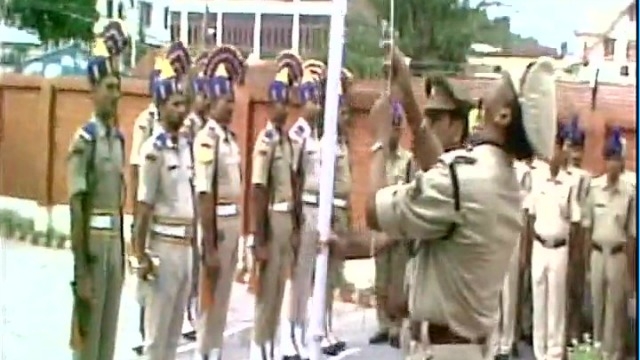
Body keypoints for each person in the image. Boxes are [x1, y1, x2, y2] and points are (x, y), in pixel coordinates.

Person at [365, 46, 558, 360]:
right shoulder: (496, 176)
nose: (485, 93)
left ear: (504, 114)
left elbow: (373, 210)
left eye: (499, 83)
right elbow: (441, 169)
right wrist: (409, 99)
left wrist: (379, 141)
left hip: (442, 351)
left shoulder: (465, 180)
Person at [67, 20, 128, 360]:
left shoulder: (117, 140)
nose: (115, 94)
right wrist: (81, 271)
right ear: (93, 90)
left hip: (113, 250)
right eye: (108, 86)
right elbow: (78, 206)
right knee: (87, 343)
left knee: (107, 340)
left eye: (117, 86)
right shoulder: (84, 141)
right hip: (92, 248)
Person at [129, 41, 193, 347]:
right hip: (163, 247)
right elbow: (144, 204)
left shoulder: (185, 145)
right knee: (156, 336)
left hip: (185, 247)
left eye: (184, 103)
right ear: (162, 106)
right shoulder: (153, 150)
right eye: (176, 104)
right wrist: (139, 253)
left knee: (173, 334)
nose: (182, 110)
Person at [192, 44, 246, 360]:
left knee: (224, 297)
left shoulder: (229, 138)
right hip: (217, 228)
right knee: (209, 298)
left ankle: (215, 352)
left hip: (232, 224)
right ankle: (202, 352)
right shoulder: (207, 139)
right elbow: (204, 193)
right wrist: (209, 245)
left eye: (232, 101)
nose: (231, 107)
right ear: (212, 101)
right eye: (226, 101)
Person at [249, 50, 302, 360]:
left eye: (287, 102)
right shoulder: (266, 141)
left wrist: (294, 226)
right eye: (279, 102)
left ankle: (270, 345)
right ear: (270, 106)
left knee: (279, 289)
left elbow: (291, 186)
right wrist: (259, 239)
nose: (284, 108)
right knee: (266, 292)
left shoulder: (286, 141)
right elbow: (259, 189)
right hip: (270, 219)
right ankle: (258, 347)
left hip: (285, 220)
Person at [279, 58, 325, 360]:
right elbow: (292, 179)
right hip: (303, 210)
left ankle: (299, 331)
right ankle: (288, 337)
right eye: (314, 98)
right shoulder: (297, 134)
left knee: (307, 277)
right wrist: (294, 222)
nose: (318, 104)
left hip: (316, 210)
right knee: (294, 277)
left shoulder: (315, 135)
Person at [528, 124, 581, 360]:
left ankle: (554, 353)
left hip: (559, 247)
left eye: (555, 148)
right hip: (538, 246)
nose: (551, 154)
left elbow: (576, 221)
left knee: (556, 305)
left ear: (561, 150)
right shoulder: (537, 178)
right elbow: (530, 215)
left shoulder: (570, 182)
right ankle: (539, 352)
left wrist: (576, 257)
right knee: (538, 301)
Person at [582, 128, 636, 360]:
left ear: (622, 162)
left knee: (616, 310)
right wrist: (585, 264)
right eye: (610, 158)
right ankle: (597, 351)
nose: (613, 164)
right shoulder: (594, 189)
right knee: (597, 307)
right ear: (605, 161)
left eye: (617, 159)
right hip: (596, 254)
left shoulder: (630, 193)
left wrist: (632, 274)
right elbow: (586, 228)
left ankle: (613, 354)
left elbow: (632, 234)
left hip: (618, 256)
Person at [369, 106, 414, 349]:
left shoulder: (407, 161)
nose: (392, 133)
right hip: (380, 226)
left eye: (395, 127)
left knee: (398, 278)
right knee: (380, 278)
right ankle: (383, 324)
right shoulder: (379, 157)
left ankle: (397, 326)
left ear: (400, 128)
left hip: (398, 230)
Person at [321, 67, 356, 356]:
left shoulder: (344, 144)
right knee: (325, 276)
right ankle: (321, 329)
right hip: (331, 213)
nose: (349, 120)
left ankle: (328, 326)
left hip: (343, 213)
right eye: (344, 114)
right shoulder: (327, 145)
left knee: (335, 276)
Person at [490, 159, 532, 360]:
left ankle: (507, 343)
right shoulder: (491, 165)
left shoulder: (522, 172)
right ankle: (494, 341)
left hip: (513, 233)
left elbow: (525, 212)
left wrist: (524, 246)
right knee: (493, 293)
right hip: (494, 234)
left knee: (509, 293)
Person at [563, 114, 591, 343]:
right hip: (562, 232)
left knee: (577, 286)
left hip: (580, 233)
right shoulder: (561, 176)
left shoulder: (586, 178)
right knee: (560, 286)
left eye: (578, 147)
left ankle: (574, 328)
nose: (575, 153)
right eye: (572, 146)